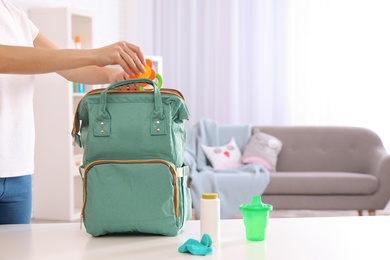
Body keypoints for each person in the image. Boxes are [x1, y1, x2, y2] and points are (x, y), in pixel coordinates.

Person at [0, 0, 146, 224]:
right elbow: (5, 59)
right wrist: (96, 54)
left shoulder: (15, 15)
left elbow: (65, 64)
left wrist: (111, 76)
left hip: (18, 170)